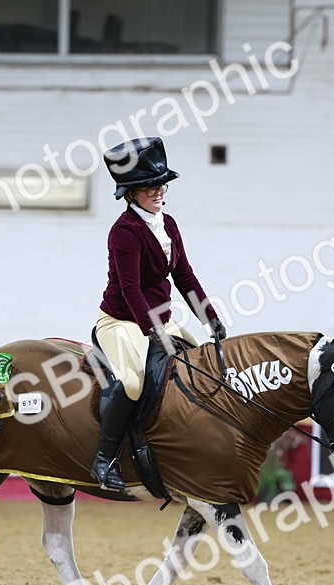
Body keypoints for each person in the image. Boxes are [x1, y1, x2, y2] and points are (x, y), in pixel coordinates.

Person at [91, 137, 226, 490]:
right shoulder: (124, 231)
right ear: (131, 193)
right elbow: (130, 288)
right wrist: (153, 329)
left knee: (200, 364)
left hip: (161, 320)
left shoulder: (169, 225)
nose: (158, 191)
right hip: (122, 321)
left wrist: (209, 317)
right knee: (132, 382)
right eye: (149, 187)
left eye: (161, 184)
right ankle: (104, 460)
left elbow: (184, 275)